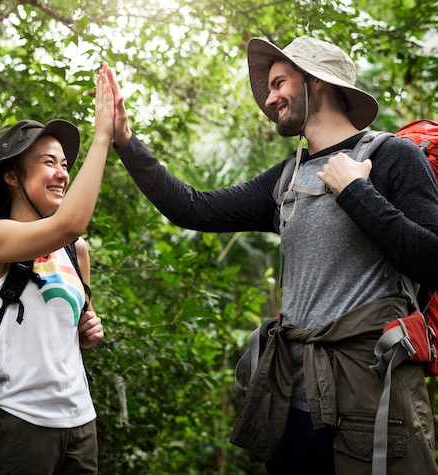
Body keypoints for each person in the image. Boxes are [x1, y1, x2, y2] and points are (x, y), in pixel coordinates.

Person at [106, 37, 438, 473]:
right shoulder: (286, 180)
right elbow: (193, 208)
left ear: (316, 81)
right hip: (292, 401)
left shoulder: (392, 157)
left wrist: (355, 191)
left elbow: (431, 259)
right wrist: (127, 142)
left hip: (368, 400)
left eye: (279, 82)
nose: (269, 97)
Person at [0, 64, 114, 474]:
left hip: (79, 425)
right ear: (12, 176)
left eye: (66, 164)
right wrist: (102, 134)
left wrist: (88, 331)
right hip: (14, 425)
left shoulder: (77, 251)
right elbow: (69, 222)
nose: (62, 173)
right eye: (48, 162)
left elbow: (70, 331)